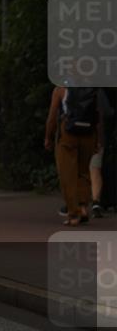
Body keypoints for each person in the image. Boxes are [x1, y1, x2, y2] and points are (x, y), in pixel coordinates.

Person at [45, 85, 102, 226]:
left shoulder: (61, 89)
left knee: (67, 175)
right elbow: (98, 116)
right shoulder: (93, 89)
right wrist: (98, 140)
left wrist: (48, 137)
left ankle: (74, 214)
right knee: (83, 172)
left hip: (68, 133)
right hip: (89, 133)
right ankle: (82, 207)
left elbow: (52, 116)